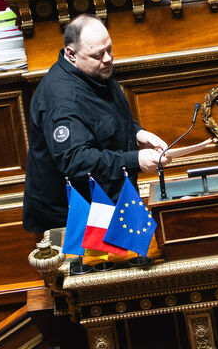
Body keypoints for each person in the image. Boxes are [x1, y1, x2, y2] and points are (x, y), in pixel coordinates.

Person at [21, 15, 167, 235]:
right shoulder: (62, 99)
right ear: (71, 54)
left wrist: (137, 133)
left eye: (109, 49)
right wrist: (134, 160)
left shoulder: (94, 71)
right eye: (98, 55)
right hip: (75, 216)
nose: (108, 59)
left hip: (111, 197)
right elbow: (74, 159)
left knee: (143, 249)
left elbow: (103, 118)